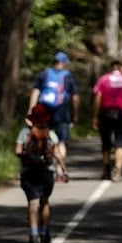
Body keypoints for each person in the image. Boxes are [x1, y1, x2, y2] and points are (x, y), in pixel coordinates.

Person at [15, 104, 67, 243]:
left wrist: (28, 157)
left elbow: (17, 151)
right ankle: (44, 232)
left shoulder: (25, 133)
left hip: (29, 172)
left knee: (33, 203)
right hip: (47, 172)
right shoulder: (51, 134)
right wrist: (64, 170)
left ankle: (33, 234)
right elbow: (57, 154)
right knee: (44, 201)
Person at [27, 51, 79, 180]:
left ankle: (44, 165)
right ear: (64, 63)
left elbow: (35, 92)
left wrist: (30, 110)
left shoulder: (44, 74)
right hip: (63, 112)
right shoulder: (69, 76)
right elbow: (75, 98)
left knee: (43, 138)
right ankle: (59, 170)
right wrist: (75, 115)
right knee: (61, 141)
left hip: (44, 111)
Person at [92, 58, 122, 183]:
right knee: (121, 143)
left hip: (105, 113)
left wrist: (95, 116)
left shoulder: (103, 79)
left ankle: (106, 168)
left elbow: (97, 98)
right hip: (121, 114)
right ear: (121, 68)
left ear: (111, 68)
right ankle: (117, 170)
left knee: (106, 142)